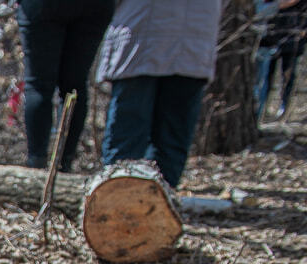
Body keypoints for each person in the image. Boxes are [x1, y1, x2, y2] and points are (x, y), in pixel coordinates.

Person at [97, 1, 223, 189]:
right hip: (197, 41)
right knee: (171, 141)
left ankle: (116, 199)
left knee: (126, 141)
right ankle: (161, 201)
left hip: (139, 39)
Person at [16, 0, 116, 171]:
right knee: (75, 86)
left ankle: (37, 167)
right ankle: (63, 167)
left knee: (39, 85)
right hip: (95, 6)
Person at [256, 0, 307, 119]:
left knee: (288, 74)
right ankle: (261, 108)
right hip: (270, 31)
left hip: (295, 31)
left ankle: (283, 108)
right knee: (265, 75)